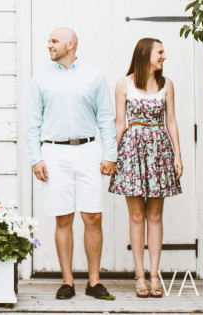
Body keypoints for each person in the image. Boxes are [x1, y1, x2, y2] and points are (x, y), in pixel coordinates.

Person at [25, 27, 117, 301]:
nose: (49, 45)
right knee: (63, 216)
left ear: (71, 44)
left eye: (54, 41)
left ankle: (94, 282)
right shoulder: (40, 80)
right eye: (49, 41)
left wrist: (110, 153)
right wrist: (36, 157)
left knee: (93, 216)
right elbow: (32, 122)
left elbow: (105, 118)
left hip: (88, 150)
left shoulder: (94, 76)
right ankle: (67, 281)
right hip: (54, 153)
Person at [108, 37, 183, 298]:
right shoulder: (123, 84)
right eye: (160, 52)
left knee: (155, 215)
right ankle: (139, 275)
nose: (164, 56)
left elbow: (171, 121)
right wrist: (111, 157)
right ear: (145, 54)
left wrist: (177, 155)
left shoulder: (167, 84)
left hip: (160, 149)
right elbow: (119, 124)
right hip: (132, 150)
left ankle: (154, 274)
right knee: (137, 215)